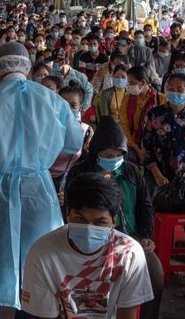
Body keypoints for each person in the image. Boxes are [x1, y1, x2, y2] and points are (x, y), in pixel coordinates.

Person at [0, 41, 84, 315]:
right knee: (36, 256)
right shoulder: (52, 99)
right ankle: (30, 311)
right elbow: (74, 143)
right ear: (27, 65)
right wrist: (42, 151)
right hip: (36, 187)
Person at [65, 118, 163, 319]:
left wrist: (145, 236)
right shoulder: (80, 173)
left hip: (129, 237)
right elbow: (69, 210)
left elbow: (145, 207)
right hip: (89, 236)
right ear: (96, 152)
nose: (114, 159)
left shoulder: (131, 172)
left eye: (119, 155)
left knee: (154, 270)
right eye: (109, 155)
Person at [21, 172, 154, 319]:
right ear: (67, 214)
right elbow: (47, 316)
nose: (88, 228)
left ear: (114, 221)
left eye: (99, 222)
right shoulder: (42, 253)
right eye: (79, 218)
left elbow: (127, 315)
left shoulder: (129, 253)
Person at [142, 73, 185, 194]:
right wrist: (157, 175)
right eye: (171, 88)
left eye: (179, 89)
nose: (174, 92)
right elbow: (146, 147)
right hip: (157, 176)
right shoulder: (155, 114)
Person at [118, 66, 166, 164]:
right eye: (128, 83)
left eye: (131, 83)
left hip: (155, 143)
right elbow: (124, 125)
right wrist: (136, 147)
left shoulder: (160, 99)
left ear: (143, 83)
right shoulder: (127, 99)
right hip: (133, 141)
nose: (129, 86)